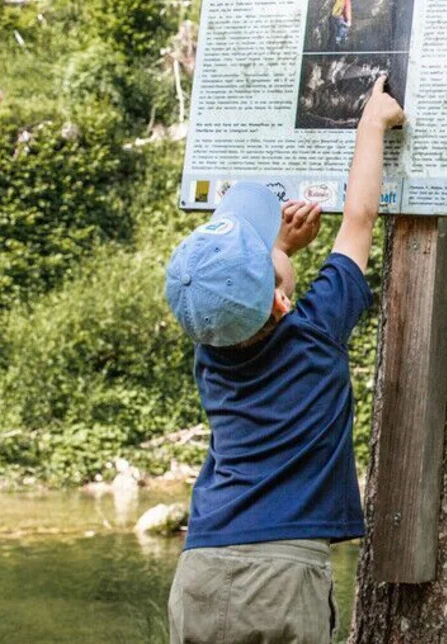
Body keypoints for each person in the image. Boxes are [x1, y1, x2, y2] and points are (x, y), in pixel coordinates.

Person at [161, 76, 404, 644]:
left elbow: (235, 304)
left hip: (200, 567)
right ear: (279, 298)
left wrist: (280, 255)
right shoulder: (315, 334)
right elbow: (360, 220)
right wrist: (373, 123)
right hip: (283, 574)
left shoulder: (210, 352)